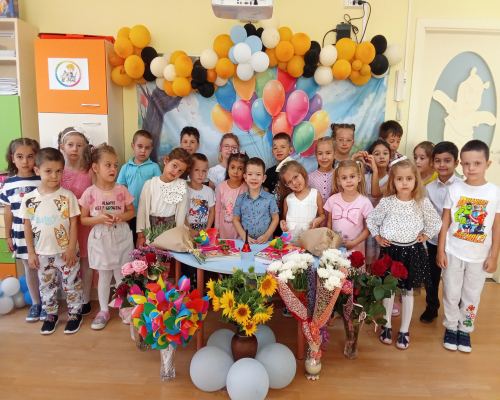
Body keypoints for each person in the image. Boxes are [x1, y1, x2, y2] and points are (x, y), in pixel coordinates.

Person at [367, 158, 442, 350]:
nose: (405, 183)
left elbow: (436, 222)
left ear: (416, 179)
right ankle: (386, 326)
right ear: (393, 181)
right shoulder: (387, 202)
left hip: (412, 252)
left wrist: (425, 235)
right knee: (389, 291)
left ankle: (404, 330)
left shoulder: (421, 202)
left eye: (409, 178)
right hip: (390, 252)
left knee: (408, 293)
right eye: (399, 179)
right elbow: (372, 220)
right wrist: (378, 237)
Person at [437, 140, 500, 353]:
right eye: (466, 164)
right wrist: (441, 250)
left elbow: (496, 227)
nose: (471, 168)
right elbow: (445, 222)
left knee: (472, 294)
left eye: (477, 163)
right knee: (451, 292)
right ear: (460, 164)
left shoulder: (495, 193)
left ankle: (465, 328)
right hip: (453, 252)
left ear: (487, 164)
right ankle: (450, 327)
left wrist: (494, 256)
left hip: (479, 256)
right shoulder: (455, 189)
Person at [19, 148, 83, 335]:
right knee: (46, 286)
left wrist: (70, 248)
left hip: (67, 252)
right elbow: (27, 227)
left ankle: (74, 314)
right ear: (37, 170)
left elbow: (74, 223)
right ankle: (50, 315)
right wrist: (31, 252)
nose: (54, 176)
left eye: (58, 171)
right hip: (42, 253)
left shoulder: (67, 196)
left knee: (72, 283)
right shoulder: (29, 199)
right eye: (48, 171)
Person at [79, 144, 135, 330]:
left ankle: (124, 307)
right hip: (101, 239)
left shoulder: (121, 189)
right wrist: (98, 219)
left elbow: (131, 212)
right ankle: (103, 310)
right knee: (104, 275)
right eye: (108, 165)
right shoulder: (90, 193)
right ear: (95, 167)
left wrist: (121, 217)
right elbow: (83, 219)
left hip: (121, 237)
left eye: (115, 165)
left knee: (121, 275)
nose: (113, 169)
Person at [0, 138, 42, 322]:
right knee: (29, 268)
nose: (25, 161)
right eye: (20, 156)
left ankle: (49, 303)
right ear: (13, 158)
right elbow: (8, 211)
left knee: (47, 267)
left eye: (30, 156)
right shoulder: (8, 184)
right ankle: (36, 303)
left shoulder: (42, 179)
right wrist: (7, 235)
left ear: (36, 157)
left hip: (42, 228)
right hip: (19, 231)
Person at [421, 141, 461, 324]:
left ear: (456, 163)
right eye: (438, 161)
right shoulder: (429, 189)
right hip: (434, 241)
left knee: (454, 279)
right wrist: (424, 242)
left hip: (455, 242)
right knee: (431, 277)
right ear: (432, 162)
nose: (442, 165)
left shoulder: (461, 187)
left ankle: (456, 310)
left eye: (447, 160)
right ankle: (432, 306)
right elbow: (424, 217)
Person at [58, 127, 94, 317]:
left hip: (84, 224)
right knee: (66, 262)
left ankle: (86, 299)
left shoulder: (89, 172)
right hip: (63, 226)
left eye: (79, 145)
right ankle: (71, 298)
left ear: (85, 148)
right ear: (62, 147)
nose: (74, 149)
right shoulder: (57, 171)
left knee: (86, 261)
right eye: (70, 145)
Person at [136, 148, 191, 247]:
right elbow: (141, 212)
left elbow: (181, 213)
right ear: (166, 160)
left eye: (180, 171)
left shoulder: (181, 185)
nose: (175, 172)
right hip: (152, 230)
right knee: (153, 255)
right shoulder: (150, 184)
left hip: (172, 231)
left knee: (170, 256)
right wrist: (140, 236)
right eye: (174, 165)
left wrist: (178, 236)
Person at [117, 130, 162, 245]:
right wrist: (123, 211)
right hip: (130, 213)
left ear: (151, 149)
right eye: (140, 146)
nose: (143, 151)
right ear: (133, 146)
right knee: (130, 242)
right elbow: (120, 190)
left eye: (147, 148)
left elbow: (159, 190)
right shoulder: (125, 167)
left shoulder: (154, 167)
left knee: (147, 243)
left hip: (148, 214)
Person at [325, 160, 373, 266]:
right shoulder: (333, 200)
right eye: (344, 178)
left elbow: (369, 229)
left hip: (355, 249)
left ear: (359, 178)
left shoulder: (365, 202)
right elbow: (329, 224)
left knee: (353, 274)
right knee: (336, 273)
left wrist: (354, 243)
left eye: (352, 176)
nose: (349, 181)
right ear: (338, 180)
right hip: (336, 249)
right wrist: (331, 241)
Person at [278, 158, 325, 243]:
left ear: (302, 172)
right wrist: (282, 222)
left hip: (307, 241)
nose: (294, 183)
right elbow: (284, 219)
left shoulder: (315, 194)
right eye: (289, 182)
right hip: (289, 242)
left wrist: (318, 220)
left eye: (295, 177)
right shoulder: (288, 199)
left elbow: (322, 215)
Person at [233, 157, 279, 243]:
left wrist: (267, 235)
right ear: (245, 177)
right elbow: (236, 220)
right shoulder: (240, 199)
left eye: (258, 174)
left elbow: (275, 219)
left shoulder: (270, 198)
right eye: (250, 174)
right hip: (246, 243)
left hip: (266, 243)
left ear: (264, 178)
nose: (254, 178)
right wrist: (244, 236)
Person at [263, 132, 294, 238]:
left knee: (290, 241)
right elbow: (265, 195)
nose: (279, 150)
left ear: (290, 150)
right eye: (275, 148)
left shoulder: (295, 171)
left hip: (291, 215)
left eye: (283, 147)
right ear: (272, 151)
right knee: (275, 242)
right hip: (273, 216)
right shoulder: (269, 172)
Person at [214, 152, 249, 239]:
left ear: (245, 171)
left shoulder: (247, 188)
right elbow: (217, 210)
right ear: (228, 168)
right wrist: (216, 230)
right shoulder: (222, 186)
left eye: (240, 169)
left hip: (240, 235)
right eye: (232, 167)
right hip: (223, 232)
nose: (235, 172)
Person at [185, 153, 215, 237]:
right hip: (187, 233)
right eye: (197, 170)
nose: (200, 174)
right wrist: (190, 230)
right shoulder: (184, 190)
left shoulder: (209, 191)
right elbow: (181, 214)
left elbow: (212, 211)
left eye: (204, 171)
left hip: (204, 233)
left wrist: (208, 228)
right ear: (189, 170)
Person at [308, 136, 336, 227]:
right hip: (315, 224)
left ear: (335, 154)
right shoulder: (309, 178)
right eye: (320, 153)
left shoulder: (340, 176)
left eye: (328, 153)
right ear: (316, 155)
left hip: (336, 222)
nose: (324, 157)